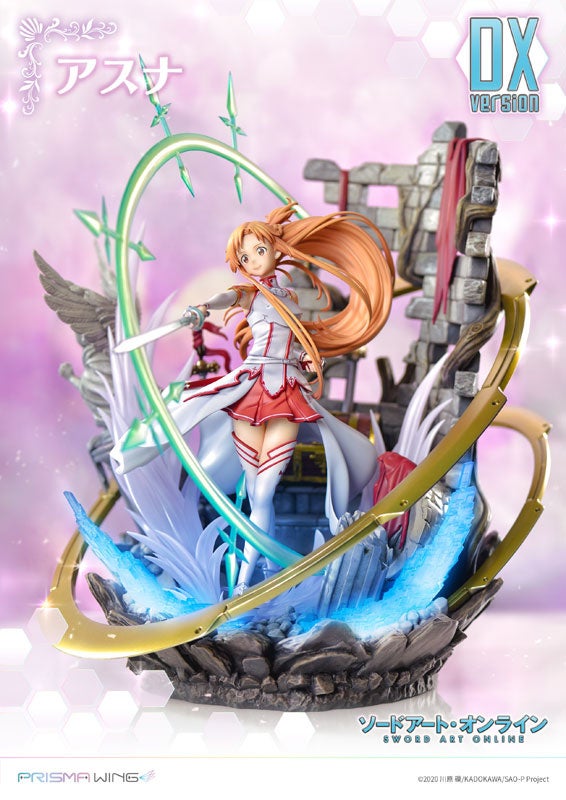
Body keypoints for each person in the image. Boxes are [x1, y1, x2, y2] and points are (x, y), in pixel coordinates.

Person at [111, 201, 394, 592]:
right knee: (256, 493)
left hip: (287, 395)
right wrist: (202, 309)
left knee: (264, 494)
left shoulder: (290, 298)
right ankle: (253, 577)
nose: (254, 261)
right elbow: (228, 298)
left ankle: (253, 577)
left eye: (259, 251)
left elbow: (295, 341)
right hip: (251, 391)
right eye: (245, 257)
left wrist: (305, 361)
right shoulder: (250, 293)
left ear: (276, 249)